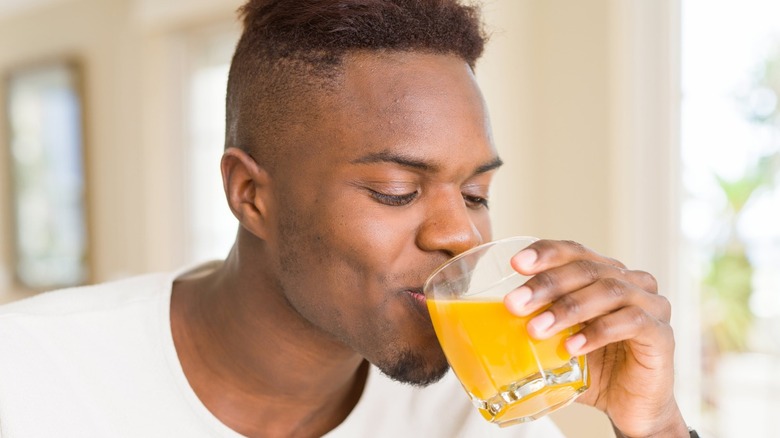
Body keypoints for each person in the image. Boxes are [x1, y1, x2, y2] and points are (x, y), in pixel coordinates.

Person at [0, 0, 694, 437]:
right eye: (397, 189)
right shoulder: (28, 379)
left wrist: (656, 425)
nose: (460, 234)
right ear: (250, 195)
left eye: (476, 193)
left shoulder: (478, 405)